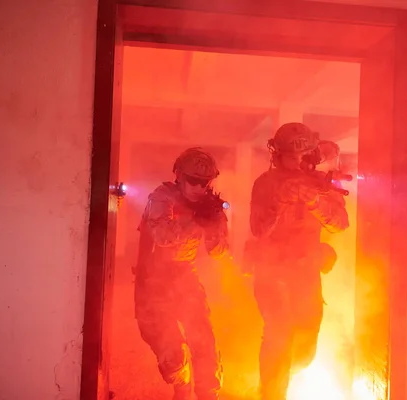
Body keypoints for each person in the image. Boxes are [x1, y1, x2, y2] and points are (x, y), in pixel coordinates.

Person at [247, 122, 350, 400]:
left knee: (304, 351)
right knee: (279, 336)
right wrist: (278, 203)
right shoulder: (265, 184)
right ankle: (270, 392)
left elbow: (341, 224)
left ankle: (279, 378)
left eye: (304, 156)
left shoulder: (321, 183)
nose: (298, 163)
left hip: (305, 273)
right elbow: (258, 230)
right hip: (272, 272)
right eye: (292, 157)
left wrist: (316, 203)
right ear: (277, 155)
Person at [133, 147, 230, 400]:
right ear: (179, 176)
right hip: (153, 280)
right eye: (193, 181)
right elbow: (163, 236)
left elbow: (219, 253)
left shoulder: (208, 205)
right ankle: (182, 391)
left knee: (204, 341)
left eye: (204, 182)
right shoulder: (162, 197)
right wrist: (196, 221)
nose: (199, 187)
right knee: (173, 355)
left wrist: (216, 223)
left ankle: (208, 395)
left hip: (185, 275)